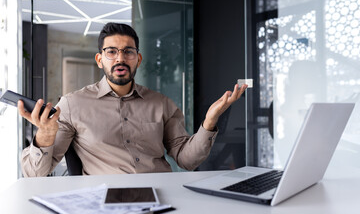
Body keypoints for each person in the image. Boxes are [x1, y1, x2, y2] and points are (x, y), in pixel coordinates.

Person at [19, 23, 248, 177]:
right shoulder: (72, 104)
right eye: (111, 52)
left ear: (138, 59)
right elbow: (34, 173)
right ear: (100, 59)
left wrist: (209, 121)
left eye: (128, 52)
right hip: (106, 201)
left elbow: (187, 160)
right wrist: (45, 137)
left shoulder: (161, 103)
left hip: (163, 195)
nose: (120, 58)